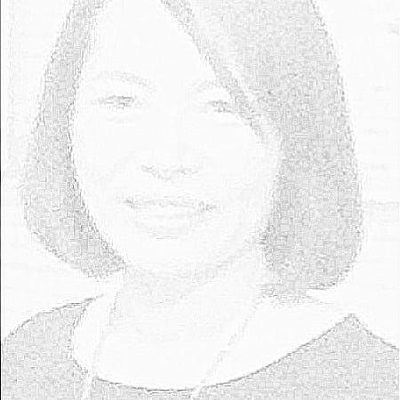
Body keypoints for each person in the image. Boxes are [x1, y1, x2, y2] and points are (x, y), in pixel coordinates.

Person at [2, 0, 398, 399]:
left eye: (221, 107)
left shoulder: (370, 382)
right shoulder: (25, 359)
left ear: (296, 141)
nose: (166, 158)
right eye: (122, 101)